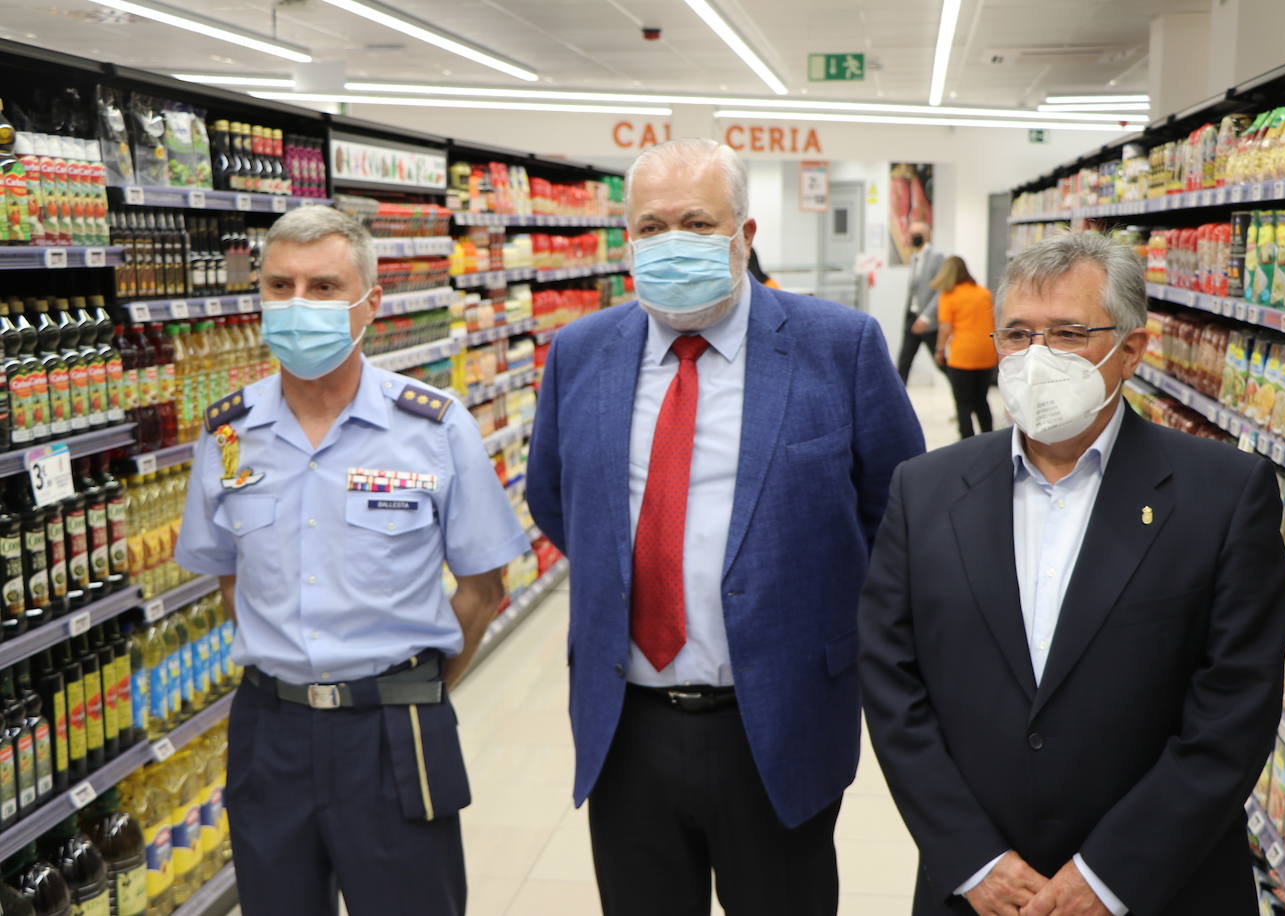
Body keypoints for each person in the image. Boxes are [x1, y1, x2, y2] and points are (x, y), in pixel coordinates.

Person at [526, 138, 924, 916]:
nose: (672, 243)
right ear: (628, 242)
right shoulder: (580, 354)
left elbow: (898, 514)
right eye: (652, 226)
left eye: (698, 223)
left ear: (744, 236)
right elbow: (557, 500)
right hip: (626, 725)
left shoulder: (837, 347)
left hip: (778, 718)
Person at [858, 231, 1285, 916]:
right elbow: (890, 681)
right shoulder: (925, 491)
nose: (1037, 359)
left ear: (1132, 350)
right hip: (977, 890)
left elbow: (1234, 711)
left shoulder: (1225, 495)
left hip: (1163, 886)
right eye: (1019, 335)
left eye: (1068, 334)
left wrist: (1110, 874)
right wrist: (973, 858)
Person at [174, 206, 529, 916]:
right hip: (268, 732)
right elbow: (229, 576)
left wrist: (415, 688)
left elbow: (484, 588)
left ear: (370, 302)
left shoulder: (434, 427)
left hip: (394, 731)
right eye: (280, 286)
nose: (298, 305)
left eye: (324, 287)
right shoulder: (227, 434)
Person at [931, 256, 998, 438]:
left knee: (963, 403)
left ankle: (967, 442)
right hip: (986, 353)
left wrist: (939, 350)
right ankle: (989, 438)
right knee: (981, 400)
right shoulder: (983, 293)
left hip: (963, 355)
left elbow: (945, 328)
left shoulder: (948, 296)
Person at [895, 220, 945, 384]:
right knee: (904, 362)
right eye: (912, 234)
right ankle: (897, 403)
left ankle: (964, 397)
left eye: (918, 234)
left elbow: (941, 289)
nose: (914, 238)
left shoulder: (937, 257)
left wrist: (926, 317)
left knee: (941, 362)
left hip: (928, 320)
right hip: (912, 315)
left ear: (927, 235)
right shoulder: (914, 257)